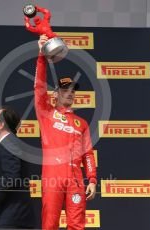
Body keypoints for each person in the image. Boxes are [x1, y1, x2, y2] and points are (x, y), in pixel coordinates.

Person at [34, 35, 97, 230]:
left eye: (72, 90)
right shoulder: (46, 113)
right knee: (50, 224)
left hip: (76, 179)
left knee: (77, 226)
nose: (70, 93)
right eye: (64, 89)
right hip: (53, 176)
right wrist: (41, 56)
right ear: (56, 94)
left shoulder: (82, 123)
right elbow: (39, 87)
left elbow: (87, 153)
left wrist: (92, 179)